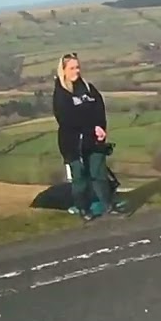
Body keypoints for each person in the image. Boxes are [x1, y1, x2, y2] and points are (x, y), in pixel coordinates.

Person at [52, 52, 125, 220]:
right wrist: (91, 128)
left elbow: (99, 108)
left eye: (78, 67)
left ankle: (109, 205)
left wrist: (100, 127)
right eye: (72, 68)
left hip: (94, 141)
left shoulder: (87, 87)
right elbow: (67, 119)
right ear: (63, 70)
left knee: (99, 173)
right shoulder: (61, 94)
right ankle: (83, 209)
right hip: (73, 144)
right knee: (80, 178)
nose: (76, 71)